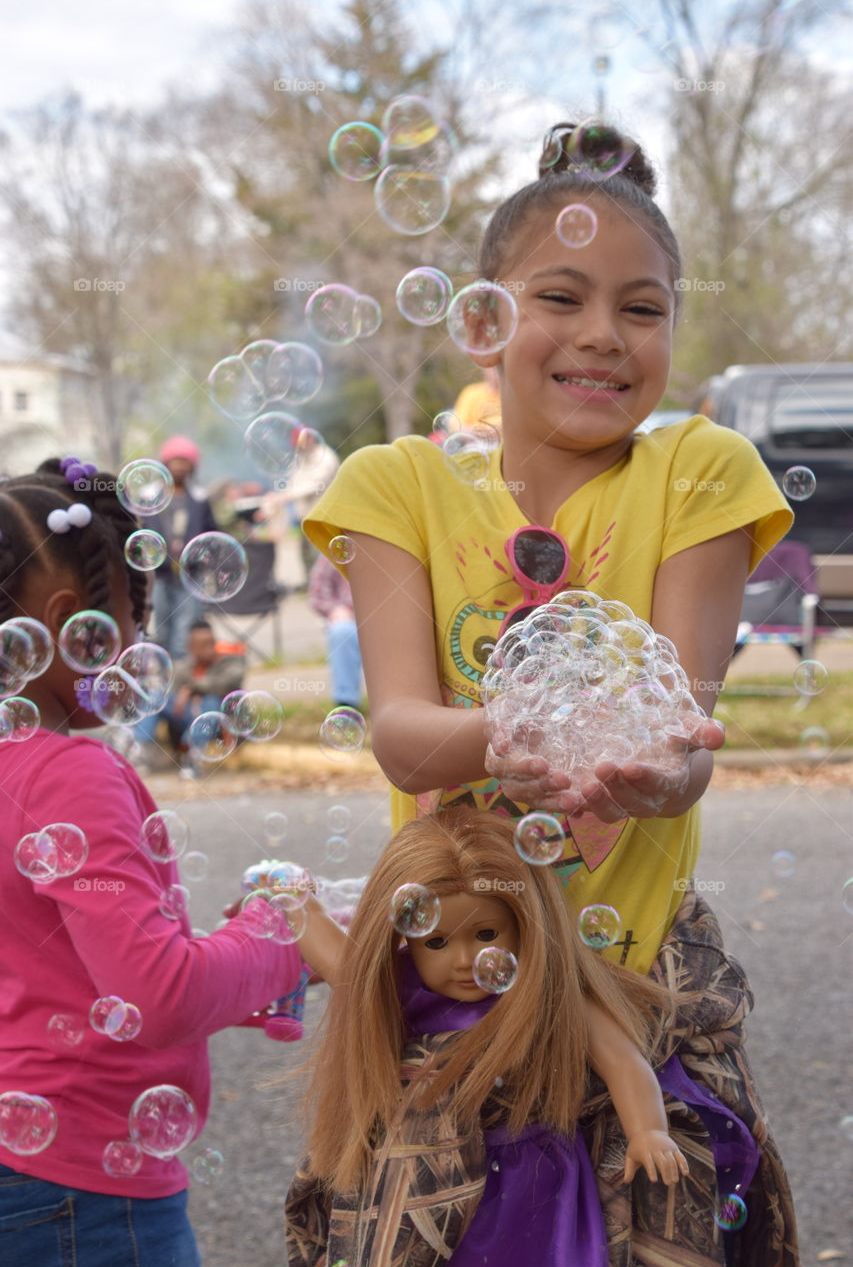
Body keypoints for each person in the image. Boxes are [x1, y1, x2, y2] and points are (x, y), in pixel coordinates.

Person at [304, 121, 799, 1264]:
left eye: (642, 307)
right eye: (560, 297)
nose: (601, 336)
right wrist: (501, 731)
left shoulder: (701, 471)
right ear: (483, 320)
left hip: (635, 958)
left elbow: (684, 740)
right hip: (451, 961)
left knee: (659, 1212)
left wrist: (664, 774)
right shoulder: (396, 485)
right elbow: (402, 734)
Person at [0, 457, 342, 1265]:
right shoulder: (64, 771)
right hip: (80, 1189)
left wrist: (241, 965)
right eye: (133, 616)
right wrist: (282, 932)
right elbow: (155, 993)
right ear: (68, 619)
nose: (139, 644)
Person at [286, 809, 765, 1266]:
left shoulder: (546, 994)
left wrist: (648, 1130)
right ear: (405, 938)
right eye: (436, 941)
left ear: (524, 924)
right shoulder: (395, 988)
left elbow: (621, 1057)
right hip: (441, 1185)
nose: (463, 959)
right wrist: (297, 903)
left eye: (487, 933)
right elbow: (344, 964)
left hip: (537, 1182)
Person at [135, 619, 246, 771]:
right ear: (191, 648)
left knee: (211, 701)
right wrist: (186, 695)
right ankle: (140, 750)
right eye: (202, 645)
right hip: (188, 718)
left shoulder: (230, 661)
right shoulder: (184, 666)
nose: (209, 649)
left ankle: (193, 755)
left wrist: (190, 689)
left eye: (211, 642)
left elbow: (227, 682)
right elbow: (172, 692)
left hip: (218, 724)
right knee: (154, 696)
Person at [147, 436, 217, 659]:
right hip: (159, 573)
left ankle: (180, 679)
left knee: (185, 629)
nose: (178, 466)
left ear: (192, 466)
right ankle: (166, 673)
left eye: (184, 461)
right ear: (165, 463)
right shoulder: (150, 497)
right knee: (162, 626)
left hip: (190, 573)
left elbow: (212, 533)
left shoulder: (199, 498)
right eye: (174, 461)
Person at [261, 440, 340, 585]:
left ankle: (325, 587)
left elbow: (315, 484)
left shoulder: (326, 457)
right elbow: (294, 483)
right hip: (305, 516)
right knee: (306, 553)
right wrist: (280, 495)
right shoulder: (303, 458)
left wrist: (284, 497)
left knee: (320, 554)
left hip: (322, 515)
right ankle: (312, 585)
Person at [307, 556, 363, 710]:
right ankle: (346, 703)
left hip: (386, 619)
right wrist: (335, 609)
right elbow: (316, 594)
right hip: (350, 619)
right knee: (341, 631)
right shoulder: (337, 547)